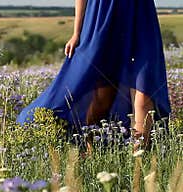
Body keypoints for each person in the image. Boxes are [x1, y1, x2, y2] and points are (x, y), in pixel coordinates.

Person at [16, 0, 171, 152]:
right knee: (101, 92)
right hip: (102, 15)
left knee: (144, 88)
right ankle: (91, 152)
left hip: (141, 15)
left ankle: (138, 162)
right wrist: (76, 33)